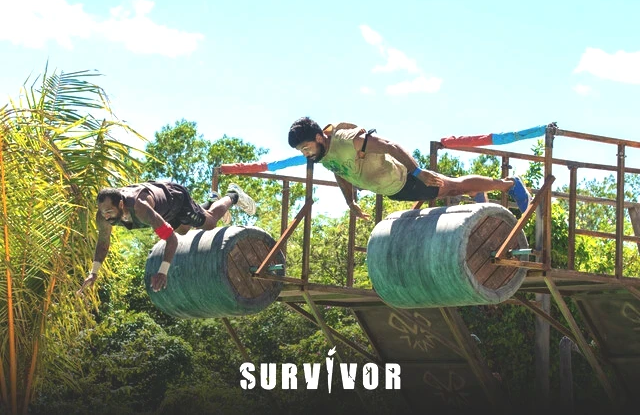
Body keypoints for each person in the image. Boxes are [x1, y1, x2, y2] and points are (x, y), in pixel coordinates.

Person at [288, 117, 531, 220]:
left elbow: (390, 145)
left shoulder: (346, 140)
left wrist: (418, 172)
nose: (305, 154)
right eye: (301, 151)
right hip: (393, 190)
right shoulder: (322, 156)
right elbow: (340, 172)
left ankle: (510, 184)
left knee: (455, 187)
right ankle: (477, 191)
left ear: (319, 137)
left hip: (405, 178)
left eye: (306, 147)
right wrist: (350, 201)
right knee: (453, 188)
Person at [77, 181, 256, 294]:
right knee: (183, 230)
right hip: (163, 211)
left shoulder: (141, 208)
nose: (106, 216)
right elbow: (103, 242)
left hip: (176, 200)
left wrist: (162, 271)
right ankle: (211, 200)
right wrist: (94, 272)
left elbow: (171, 240)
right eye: (103, 212)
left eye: (109, 211)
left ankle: (233, 195)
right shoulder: (103, 216)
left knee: (209, 223)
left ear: (121, 204)